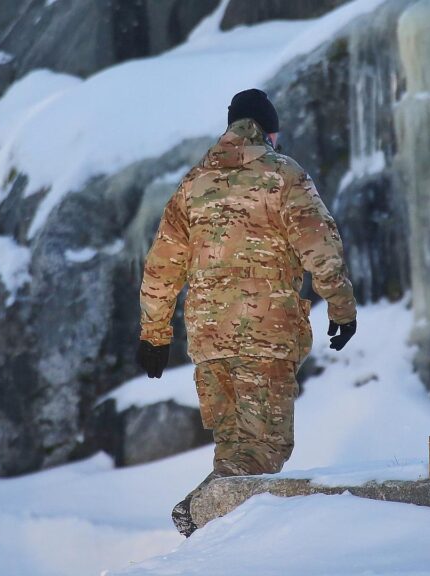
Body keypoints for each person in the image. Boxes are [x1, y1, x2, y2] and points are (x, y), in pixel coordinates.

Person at [136, 88, 358, 537]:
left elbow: (161, 265)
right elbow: (320, 245)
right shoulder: (284, 175)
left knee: (235, 450)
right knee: (262, 452)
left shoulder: (194, 184)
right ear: (270, 132)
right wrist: (340, 304)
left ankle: (220, 550)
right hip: (265, 337)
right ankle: (196, 515)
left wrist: (154, 335)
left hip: (209, 344)